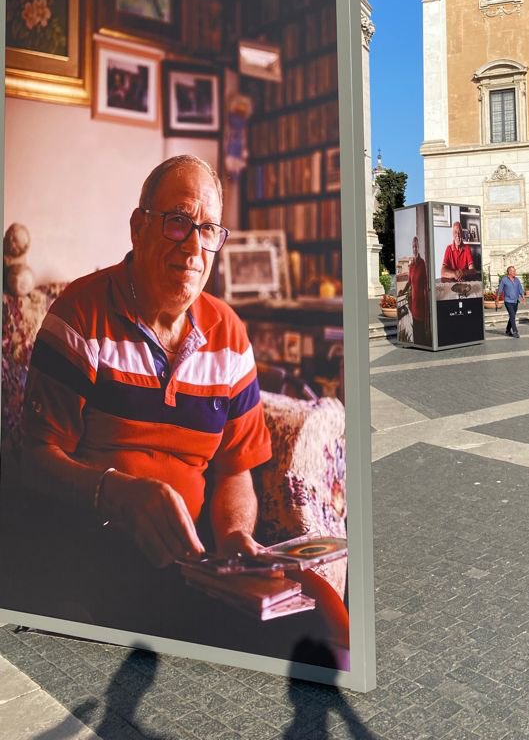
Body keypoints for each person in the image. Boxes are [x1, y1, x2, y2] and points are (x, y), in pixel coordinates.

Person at [5, 155, 348, 662]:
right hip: (91, 545)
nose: (193, 246)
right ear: (139, 228)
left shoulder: (229, 334)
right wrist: (116, 493)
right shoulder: (78, 316)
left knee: (315, 627)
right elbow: (33, 459)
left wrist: (234, 534)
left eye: (208, 229)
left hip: (196, 555)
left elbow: (236, 469)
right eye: (177, 222)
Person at [403, 235, 429, 346]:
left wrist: (428, 305)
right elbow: (409, 281)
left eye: (416, 246)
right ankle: (417, 345)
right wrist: (402, 291)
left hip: (421, 301)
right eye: (413, 246)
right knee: (415, 327)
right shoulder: (411, 265)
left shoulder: (422, 263)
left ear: (419, 247)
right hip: (413, 301)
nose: (415, 248)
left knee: (421, 328)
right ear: (412, 248)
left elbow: (425, 284)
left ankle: (422, 345)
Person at [495, 265, 525, 338]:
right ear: (509, 272)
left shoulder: (517, 280)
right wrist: (497, 299)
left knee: (512, 316)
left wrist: (523, 297)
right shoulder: (504, 279)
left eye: (515, 271)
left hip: (515, 301)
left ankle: (508, 330)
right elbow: (500, 289)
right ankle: (515, 331)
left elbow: (520, 289)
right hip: (508, 301)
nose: (515, 272)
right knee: (512, 315)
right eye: (513, 271)